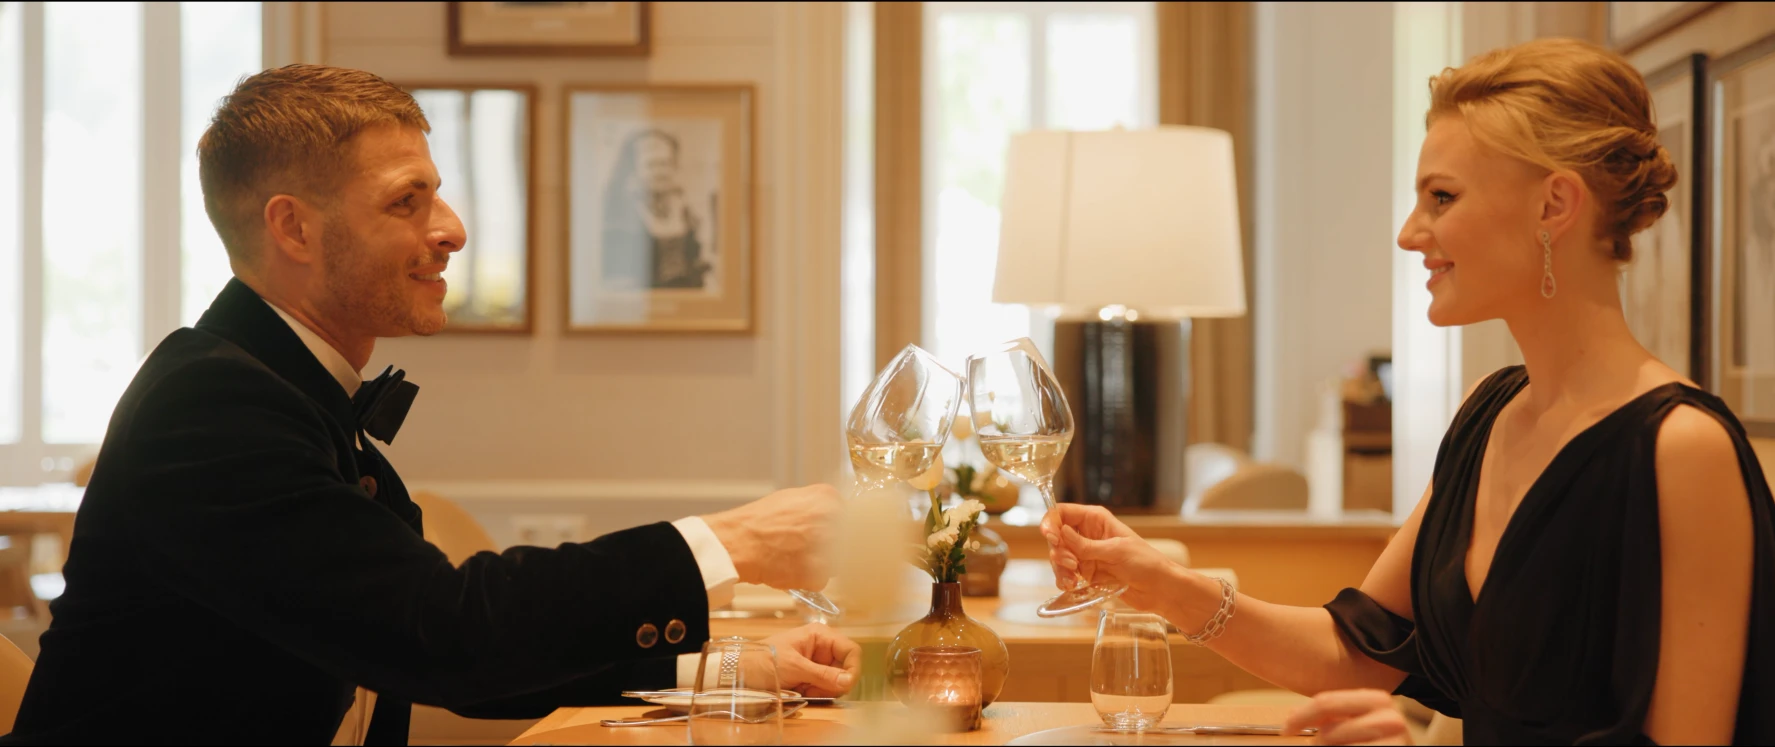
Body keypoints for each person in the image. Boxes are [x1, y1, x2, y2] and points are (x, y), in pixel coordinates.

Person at [2, 64, 857, 745]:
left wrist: (723, 670)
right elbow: (446, 635)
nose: (451, 227)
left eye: (438, 194)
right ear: (293, 229)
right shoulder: (209, 407)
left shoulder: (283, 392)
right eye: (406, 201)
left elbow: (429, 652)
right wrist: (731, 543)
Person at [1046, 38, 1775, 745]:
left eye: (1441, 197)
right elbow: (1355, 651)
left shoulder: (1682, 449)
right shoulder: (1491, 415)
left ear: (1554, 205)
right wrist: (1162, 583)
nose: (1407, 232)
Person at [599, 128, 714, 291]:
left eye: (665, 163)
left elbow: (696, 260)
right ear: (633, 169)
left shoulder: (684, 208)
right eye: (651, 165)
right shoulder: (619, 214)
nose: (660, 172)